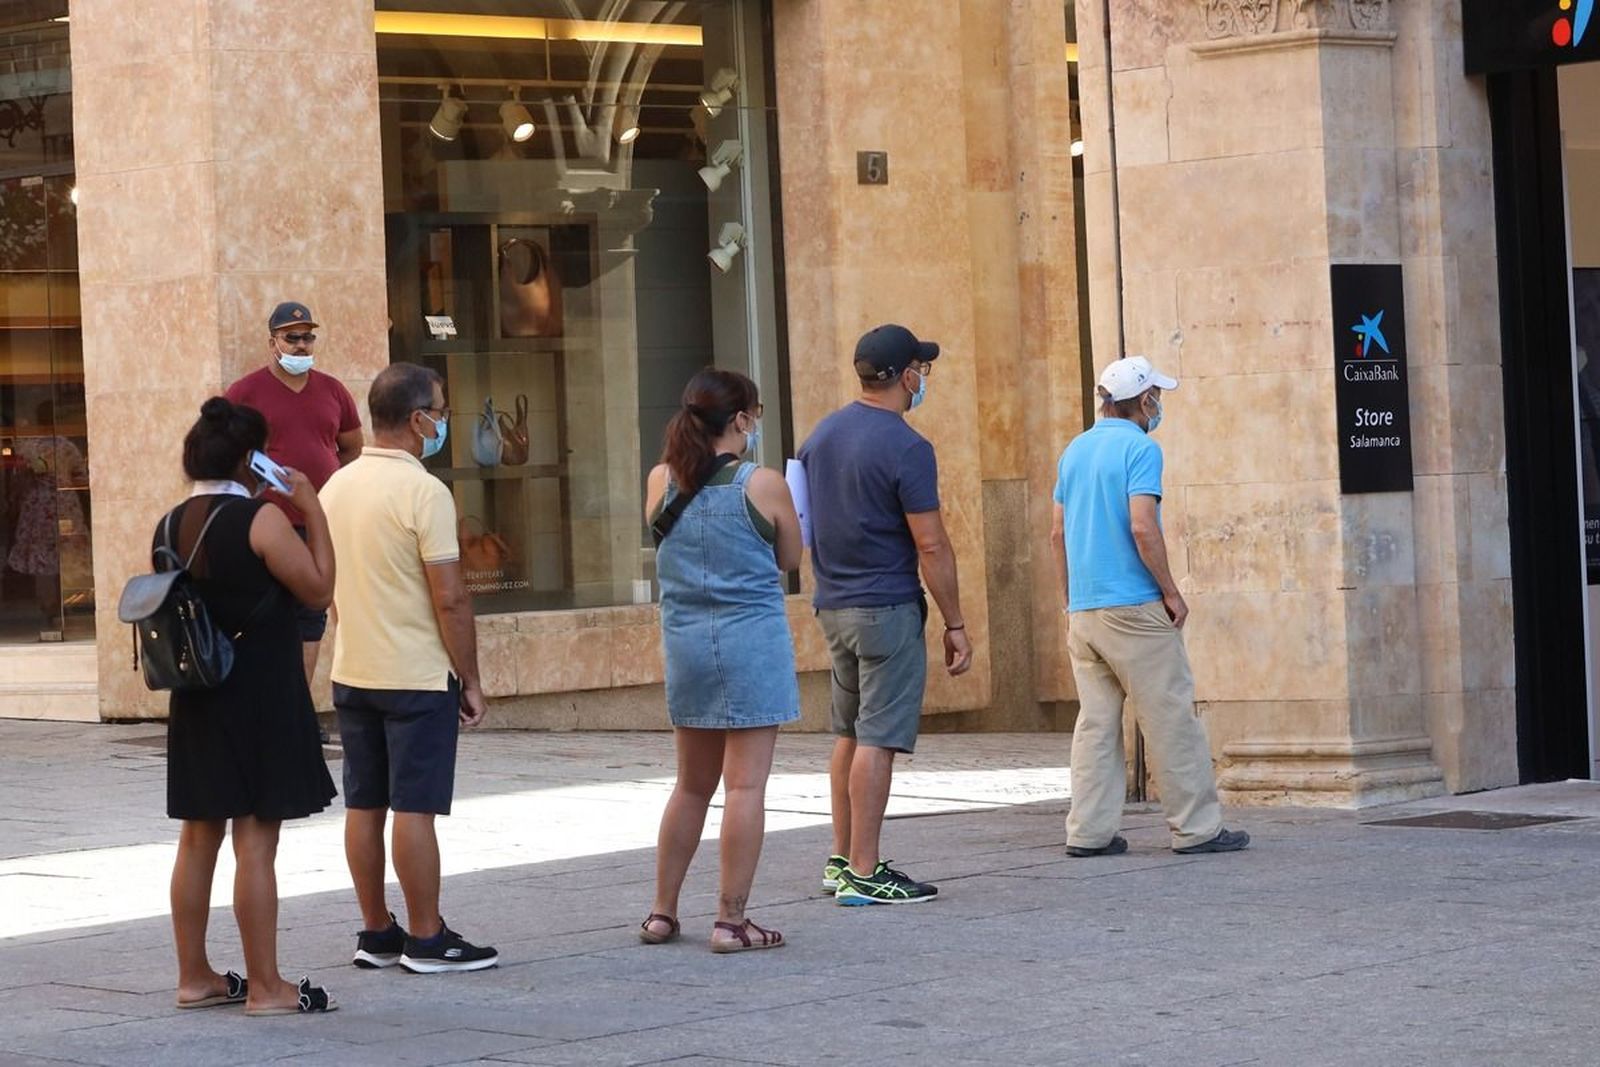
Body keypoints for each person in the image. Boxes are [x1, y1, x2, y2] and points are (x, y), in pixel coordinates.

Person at [162, 397, 338, 1016]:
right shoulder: (260, 519)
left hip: (198, 692)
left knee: (197, 838)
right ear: (249, 460)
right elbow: (318, 586)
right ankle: (267, 986)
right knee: (256, 842)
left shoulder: (170, 522)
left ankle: (194, 976)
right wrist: (310, 505)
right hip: (259, 690)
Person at [319, 362, 497, 974]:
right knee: (414, 807)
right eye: (441, 411)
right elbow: (450, 596)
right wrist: (469, 677)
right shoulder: (425, 492)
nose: (443, 421)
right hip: (417, 675)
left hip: (355, 670)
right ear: (419, 418)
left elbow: (330, 585)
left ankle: (375, 930)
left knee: (365, 806)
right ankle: (426, 935)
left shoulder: (336, 486)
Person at [798, 324, 974, 906]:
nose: (923, 378)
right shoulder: (907, 446)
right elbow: (931, 544)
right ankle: (867, 871)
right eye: (920, 368)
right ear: (905, 376)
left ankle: (841, 858)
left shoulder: (821, 437)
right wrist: (954, 622)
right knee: (878, 739)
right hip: (887, 607)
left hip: (834, 604)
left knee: (848, 734)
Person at [1050, 356, 1249, 857]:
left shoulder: (1074, 450)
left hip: (1086, 610)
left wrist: (1070, 599)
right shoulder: (1141, 449)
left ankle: (1088, 833)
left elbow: (1057, 533)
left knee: (1095, 724)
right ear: (1143, 401)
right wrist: (1171, 592)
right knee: (1170, 717)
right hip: (1133, 606)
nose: (1158, 405)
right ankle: (1197, 828)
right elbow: (1143, 526)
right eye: (1155, 396)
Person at [639, 368, 802, 953]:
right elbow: (789, 556)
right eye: (753, 415)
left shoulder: (661, 479)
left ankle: (661, 913)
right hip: (751, 642)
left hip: (687, 644)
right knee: (745, 788)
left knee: (690, 785)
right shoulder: (763, 484)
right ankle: (731, 920)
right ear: (740, 420)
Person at [226, 302, 364, 691]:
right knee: (266, 613)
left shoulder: (332, 390)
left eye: (308, 337)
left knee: (311, 617)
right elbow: (228, 452)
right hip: (268, 525)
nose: (302, 346)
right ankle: (266, 707)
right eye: (293, 338)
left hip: (319, 523)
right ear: (273, 343)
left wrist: (337, 486)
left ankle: (298, 710)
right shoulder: (246, 391)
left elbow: (352, 445)